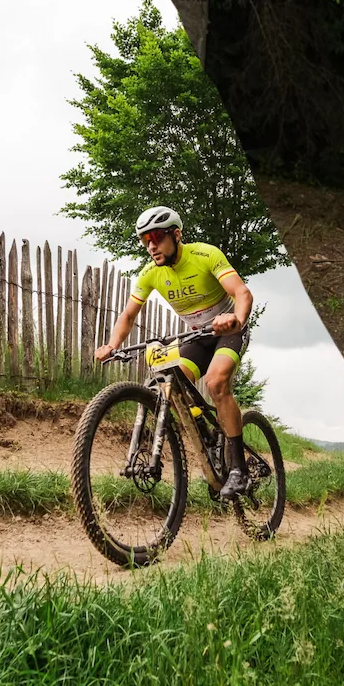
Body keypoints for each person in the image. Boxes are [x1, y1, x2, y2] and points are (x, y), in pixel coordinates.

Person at [95, 206, 255, 499]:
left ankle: (238, 470)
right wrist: (112, 345)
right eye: (145, 241)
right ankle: (207, 435)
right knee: (173, 386)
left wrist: (237, 319)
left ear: (176, 234)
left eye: (156, 237)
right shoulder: (150, 274)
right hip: (196, 336)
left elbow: (242, 293)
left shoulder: (205, 255)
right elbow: (129, 315)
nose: (151, 246)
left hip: (228, 330)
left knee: (216, 382)